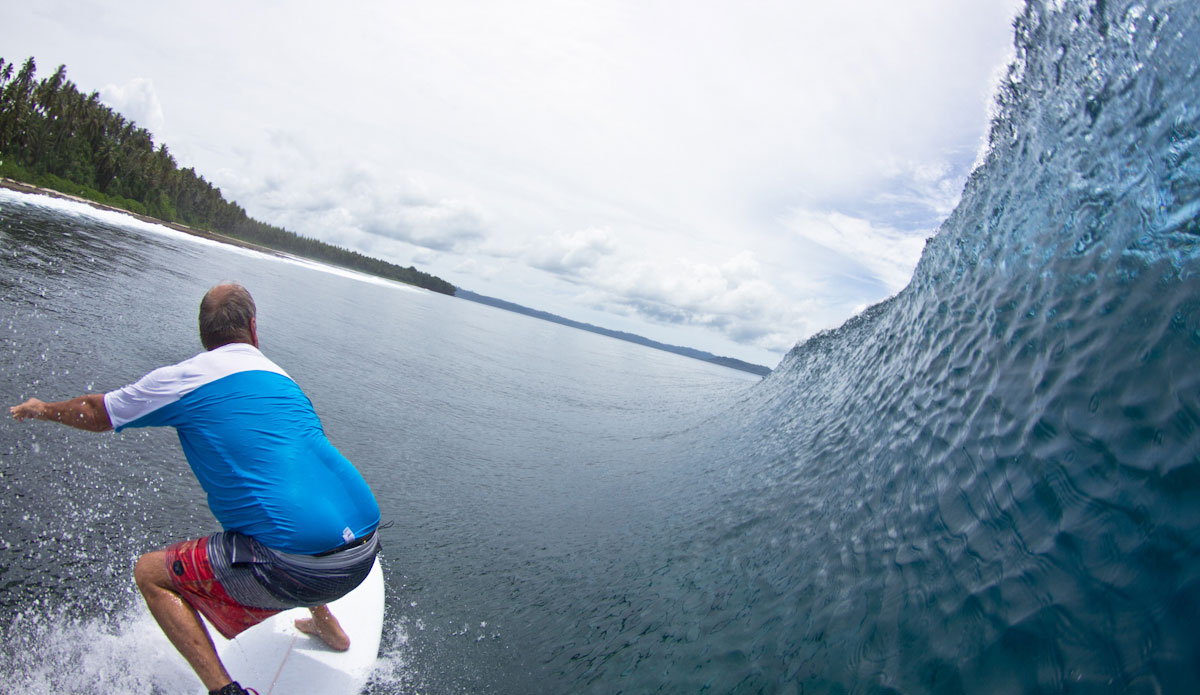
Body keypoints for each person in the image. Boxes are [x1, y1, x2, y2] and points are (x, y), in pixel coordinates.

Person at [10, 283, 381, 695]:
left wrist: (43, 409)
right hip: (364, 549)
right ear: (254, 330)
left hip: (300, 567)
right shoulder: (282, 378)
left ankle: (225, 691)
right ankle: (329, 627)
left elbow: (99, 411)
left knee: (150, 573)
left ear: (204, 335)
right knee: (277, 511)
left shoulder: (186, 378)